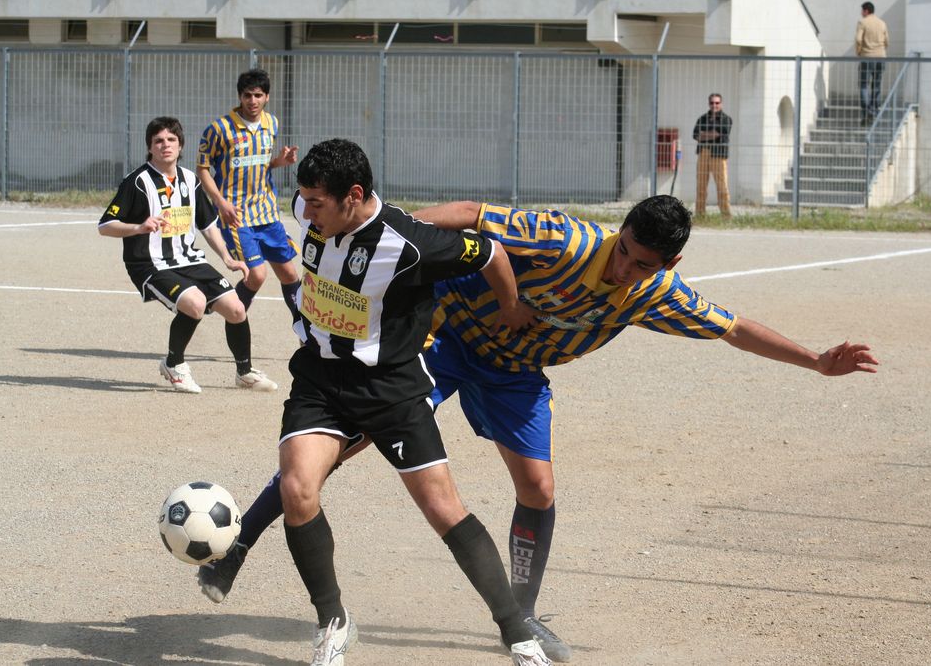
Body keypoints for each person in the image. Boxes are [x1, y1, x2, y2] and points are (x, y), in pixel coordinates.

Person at [199, 195, 879, 663]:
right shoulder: (564, 238)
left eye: (643, 264)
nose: (625, 268)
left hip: (515, 373)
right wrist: (391, 236)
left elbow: (732, 327)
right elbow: (472, 214)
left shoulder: (655, 293)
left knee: (539, 488)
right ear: (620, 231)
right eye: (625, 251)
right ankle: (238, 544)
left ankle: (519, 611)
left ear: (667, 266)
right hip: (445, 339)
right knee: (339, 446)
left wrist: (816, 361)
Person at [257, 138, 550, 666]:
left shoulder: (410, 244)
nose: (306, 211)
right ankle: (332, 622)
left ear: (352, 195)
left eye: (317, 203)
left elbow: (490, 252)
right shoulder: (309, 207)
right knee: (298, 489)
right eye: (305, 200)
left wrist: (509, 307)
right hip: (320, 380)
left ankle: (516, 633)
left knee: (442, 509)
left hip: (391, 388)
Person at [98, 116, 277, 394]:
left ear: (180, 145)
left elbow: (208, 224)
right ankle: (174, 364)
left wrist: (227, 258)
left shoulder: (190, 180)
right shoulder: (136, 182)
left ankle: (244, 372)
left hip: (190, 260)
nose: (165, 145)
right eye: (158, 141)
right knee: (195, 303)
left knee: (236, 308)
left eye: (171, 140)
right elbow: (105, 226)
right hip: (151, 264)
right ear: (150, 147)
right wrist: (138, 227)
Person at [197, 68, 302, 323]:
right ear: (240, 97)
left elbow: (261, 164)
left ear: (267, 97)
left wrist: (279, 162)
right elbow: (202, 169)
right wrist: (220, 203)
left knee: (290, 274)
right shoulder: (219, 129)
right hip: (236, 215)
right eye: (247, 95)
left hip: (267, 212)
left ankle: (304, 330)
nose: (252, 101)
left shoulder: (271, 123)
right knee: (257, 275)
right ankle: (234, 319)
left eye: (258, 95)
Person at [692, 94, 732, 219]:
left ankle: (726, 216)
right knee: (701, 185)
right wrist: (711, 135)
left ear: (721, 104)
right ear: (709, 103)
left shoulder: (726, 119)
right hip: (703, 153)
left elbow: (718, 133)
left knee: (722, 186)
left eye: (717, 103)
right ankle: (700, 215)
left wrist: (704, 135)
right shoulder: (702, 118)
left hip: (718, 154)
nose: (714, 105)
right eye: (712, 103)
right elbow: (695, 135)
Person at [855, 1, 889, 126]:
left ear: (866, 11)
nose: (861, 13)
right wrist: (881, 50)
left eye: (862, 11)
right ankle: (874, 111)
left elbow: (858, 39)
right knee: (877, 85)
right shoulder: (882, 23)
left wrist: (859, 52)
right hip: (881, 57)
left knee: (864, 85)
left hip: (867, 57)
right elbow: (887, 41)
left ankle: (866, 112)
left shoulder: (862, 22)